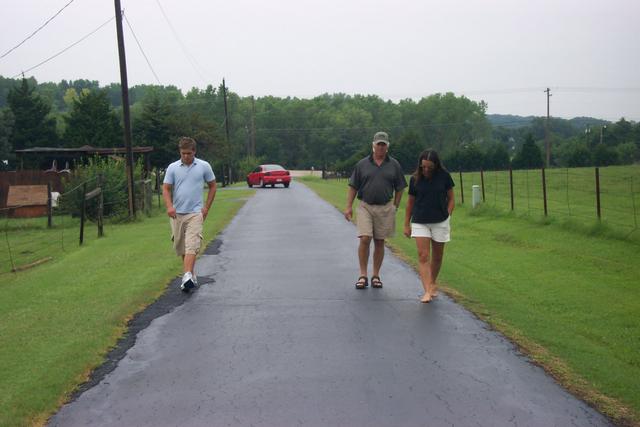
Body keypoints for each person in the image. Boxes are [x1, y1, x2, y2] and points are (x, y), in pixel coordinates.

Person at [344, 131, 407, 289]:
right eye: (378, 144)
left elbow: (400, 187)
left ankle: (376, 275)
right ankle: (363, 275)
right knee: (365, 238)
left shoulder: (394, 165)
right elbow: (353, 186)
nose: (380, 147)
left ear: (387, 147)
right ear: (373, 146)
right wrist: (348, 207)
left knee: (380, 241)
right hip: (365, 205)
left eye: (383, 145)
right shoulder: (362, 164)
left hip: (385, 207)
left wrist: (395, 206)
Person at [162, 137, 217, 292]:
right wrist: (169, 206)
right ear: (180, 152)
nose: (186, 156)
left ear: (194, 151)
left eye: (188, 153)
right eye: (183, 153)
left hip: (195, 213)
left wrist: (206, 208)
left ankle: (186, 275)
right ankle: (191, 275)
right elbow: (166, 188)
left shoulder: (203, 166)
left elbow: (213, 186)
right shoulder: (173, 167)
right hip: (177, 214)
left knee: (192, 244)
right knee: (182, 248)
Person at [403, 149, 455, 303]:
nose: (425, 170)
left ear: (436, 166)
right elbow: (410, 203)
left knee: (437, 256)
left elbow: (451, 199)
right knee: (423, 256)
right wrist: (406, 223)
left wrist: (448, 215)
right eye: (423, 167)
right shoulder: (415, 179)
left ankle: (432, 282)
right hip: (420, 221)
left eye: (429, 168)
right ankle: (426, 291)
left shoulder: (444, 176)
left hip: (440, 221)